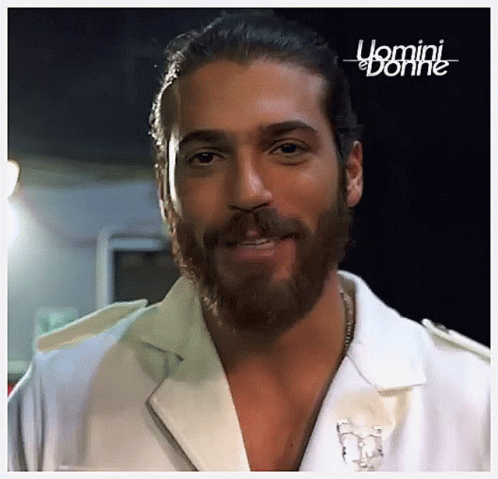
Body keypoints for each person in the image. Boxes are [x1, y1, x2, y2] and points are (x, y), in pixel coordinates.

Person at [8, 12, 490, 472]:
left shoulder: (475, 405)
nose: (247, 192)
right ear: (165, 192)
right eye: (205, 157)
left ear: (351, 172)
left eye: (288, 149)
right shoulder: (58, 402)